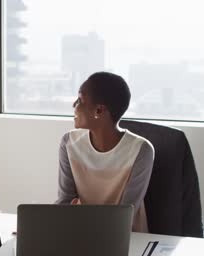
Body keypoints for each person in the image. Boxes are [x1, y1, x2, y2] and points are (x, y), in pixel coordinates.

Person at [56, 72, 154, 232]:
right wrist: (42, 227)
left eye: (80, 100)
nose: (74, 105)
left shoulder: (141, 150)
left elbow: (125, 216)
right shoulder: (69, 143)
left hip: (126, 237)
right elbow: (65, 201)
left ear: (99, 110)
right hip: (82, 231)